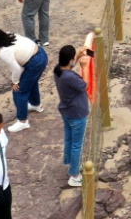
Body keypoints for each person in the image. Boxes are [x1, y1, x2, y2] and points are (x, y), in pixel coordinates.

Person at [0, 26, 48, 133]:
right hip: (42, 54)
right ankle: (36, 105)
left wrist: (15, 81)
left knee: (19, 91)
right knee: (32, 83)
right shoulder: (10, 34)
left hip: (34, 63)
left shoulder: (4, 52)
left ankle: (23, 121)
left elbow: (17, 69)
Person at [54, 45, 90, 187]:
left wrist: (78, 56)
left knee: (69, 139)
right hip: (77, 114)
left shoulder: (58, 70)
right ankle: (74, 176)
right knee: (77, 145)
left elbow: (69, 67)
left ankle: (71, 163)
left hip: (67, 112)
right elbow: (84, 85)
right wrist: (84, 67)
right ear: (69, 60)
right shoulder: (70, 77)